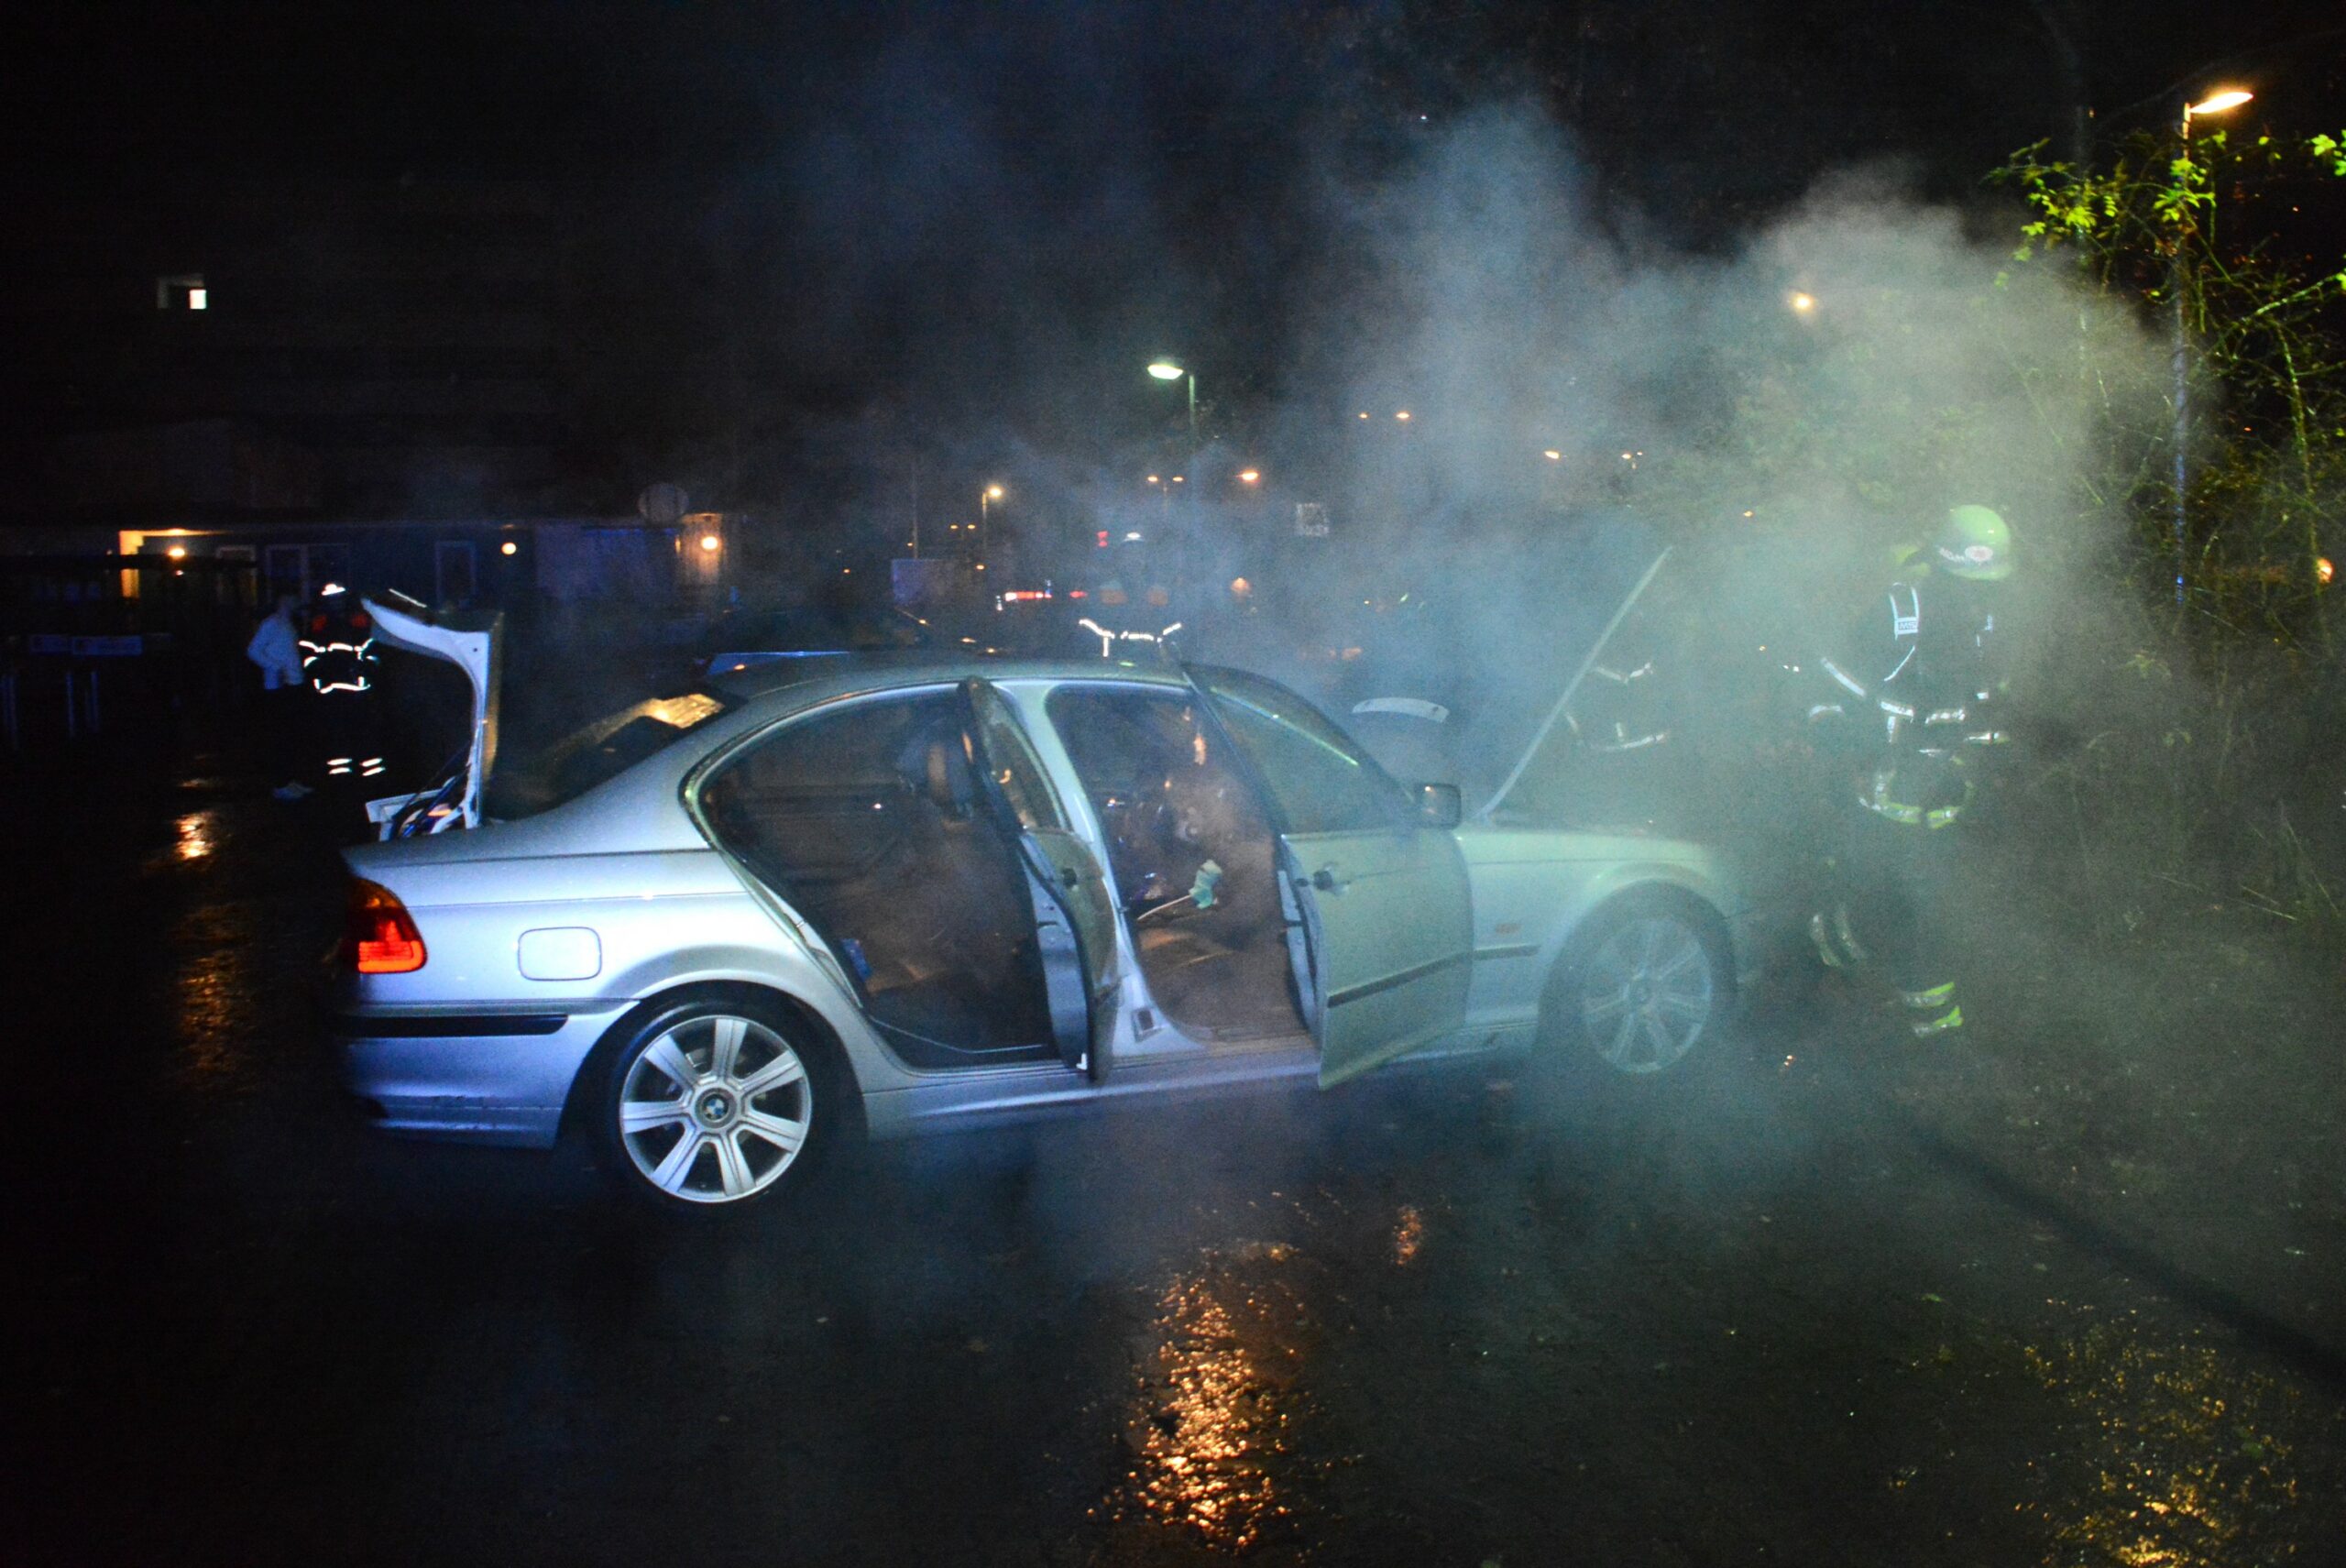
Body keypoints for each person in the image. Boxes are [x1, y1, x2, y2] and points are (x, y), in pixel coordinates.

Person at [1804, 504, 2015, 1038]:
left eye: (1987, 583)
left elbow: (1984, 709)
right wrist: (1843, 748)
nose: (1980, 594)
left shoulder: (1984, 625)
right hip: (1881, 800)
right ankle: (1939, 1040)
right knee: (1916, 921)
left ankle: (1820, 954)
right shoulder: (1898, 617)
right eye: (1970, 581)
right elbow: (1829, 690)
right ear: (1941, 568)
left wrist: (2004, 753)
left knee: (1896, 914)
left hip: (1944, 805)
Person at [247, 590, 312, 800]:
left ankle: (289, 781)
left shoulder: (287, 623)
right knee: (281, 736)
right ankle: (281, 784)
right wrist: (276, 668)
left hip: (292, 684)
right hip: (279, 687)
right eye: (294, 597)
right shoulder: (272, 623)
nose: (297, 601)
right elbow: (253, 650)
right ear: (284, 599)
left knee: (291, 736)